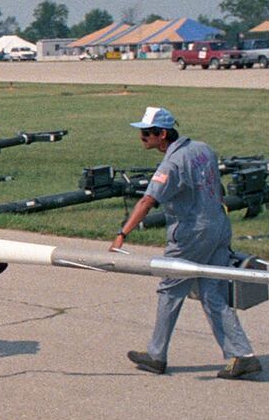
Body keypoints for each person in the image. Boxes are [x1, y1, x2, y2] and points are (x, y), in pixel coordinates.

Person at [111, 107, 260, 379]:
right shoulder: (203, 149)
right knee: (212, 292)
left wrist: (123, 233)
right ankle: (243, 355)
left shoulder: (171, 164)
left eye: (146, 133)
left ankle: (156, 356)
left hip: (191, 235)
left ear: (162, 134)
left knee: (170, 290)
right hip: (218, 226)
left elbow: (147, 201)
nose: (141, 138)